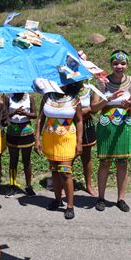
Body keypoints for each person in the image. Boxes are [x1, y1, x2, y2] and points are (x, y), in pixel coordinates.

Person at [91, 50, 131, 212]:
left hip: (124, 126)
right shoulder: (102, 82)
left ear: (127, 65)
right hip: (106, 125)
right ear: (110, 65)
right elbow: (93, 108)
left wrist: (129, 105)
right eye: (116, 63)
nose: (119, 66)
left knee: (122, 162)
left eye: (123, 63)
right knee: (104, 162)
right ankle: (101, 197)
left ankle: (121, 199)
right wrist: (108, 99)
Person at [35, 82, 83, 220]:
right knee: (55, 171)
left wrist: (79, 142)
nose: (60, 84)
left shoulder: (75, 99)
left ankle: (70, 206)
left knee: (65, 172)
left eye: (63, 82)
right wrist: (37, 139)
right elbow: (40, 119)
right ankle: (57, 200)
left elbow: (79, 120)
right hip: (50, 137)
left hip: (67, 138)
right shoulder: (47, 97)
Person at [4, 93, 37, 197]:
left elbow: (35, 115)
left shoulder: (29, 97)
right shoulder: (8, 97)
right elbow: (4, 116)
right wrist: (13, 113)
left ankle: (28, 186)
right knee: (13, 160)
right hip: (12, 131)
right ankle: (12, 185)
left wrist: (25, 113)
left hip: (26, 131)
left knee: (26, 160)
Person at [77, 83, 98, 196]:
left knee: (87, 157)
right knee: (68, 157)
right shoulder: (66, 88)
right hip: (70, 126)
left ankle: (89, 185)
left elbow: (95, 108)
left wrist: (88, 109)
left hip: (87, 125)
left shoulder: (90, 88)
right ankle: (63, 184)